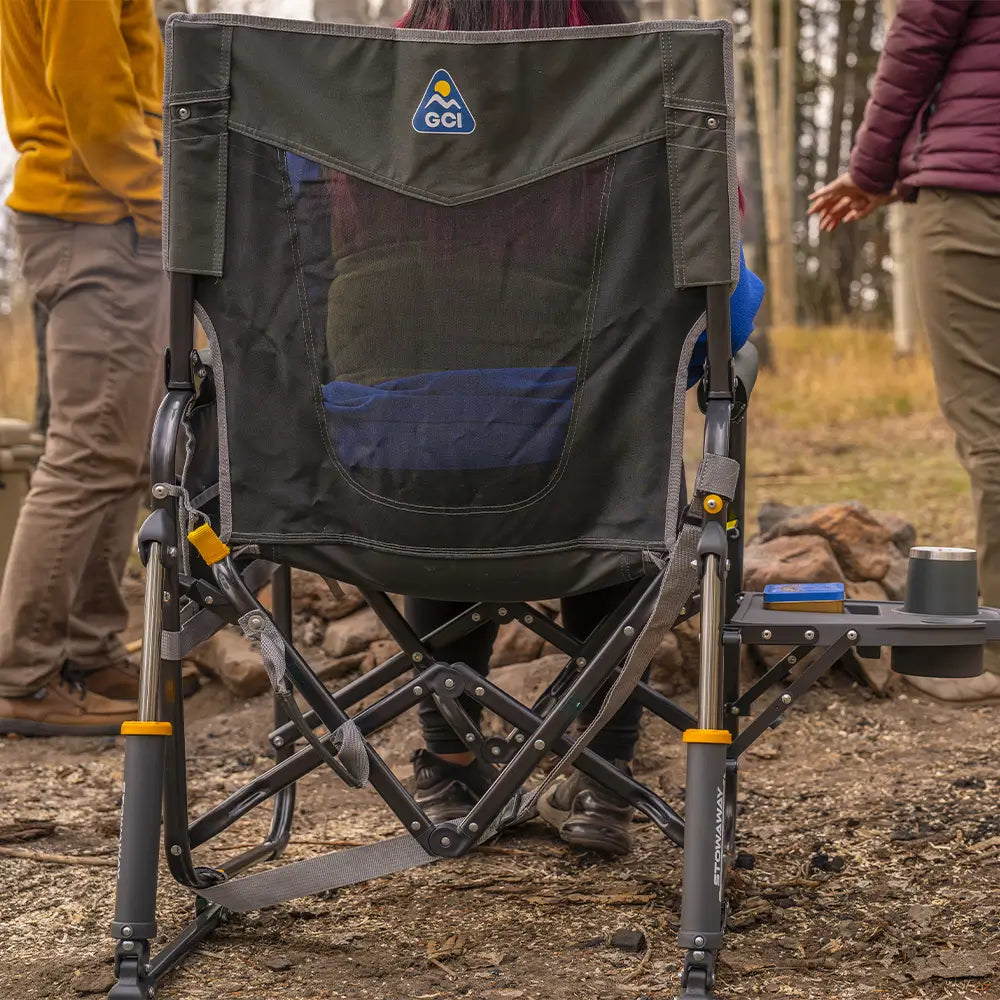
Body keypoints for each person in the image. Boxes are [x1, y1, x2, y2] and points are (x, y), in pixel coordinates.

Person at [389, 0, 764, 855]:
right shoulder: (654, 93)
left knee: (453, 432)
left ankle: (447, 765)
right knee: (609, 458)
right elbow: (726, 316)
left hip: (382, 485)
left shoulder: (360, 109)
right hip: (594, 480)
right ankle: (605, 778)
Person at [809, 0, 1000, 706]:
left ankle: (992, 651)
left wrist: (869, 169)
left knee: (991, 427)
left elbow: (918, 39)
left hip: (975, 204)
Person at [0, 0, 169, 735]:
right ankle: (21, 677)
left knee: (125, 452)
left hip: (108, 216)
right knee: (88, 449)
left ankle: (85, 649)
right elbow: (96, 102)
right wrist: (168, 203)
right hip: (100, 216)